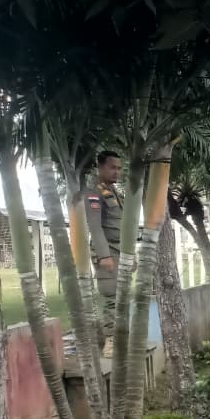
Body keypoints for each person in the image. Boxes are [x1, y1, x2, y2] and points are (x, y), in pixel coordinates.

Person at [85, 150, 124, 351]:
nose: (116, 172)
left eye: (119, 168)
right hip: (107, 251)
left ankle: (120, 337)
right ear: (100, 167)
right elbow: (95, 225)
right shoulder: (94, 192)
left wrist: (129, 254)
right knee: (111, 296)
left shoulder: (115, 192)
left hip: (120, 251)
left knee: (122, 295)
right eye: (112, 167)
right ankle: (110, 342)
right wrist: (104, 255)